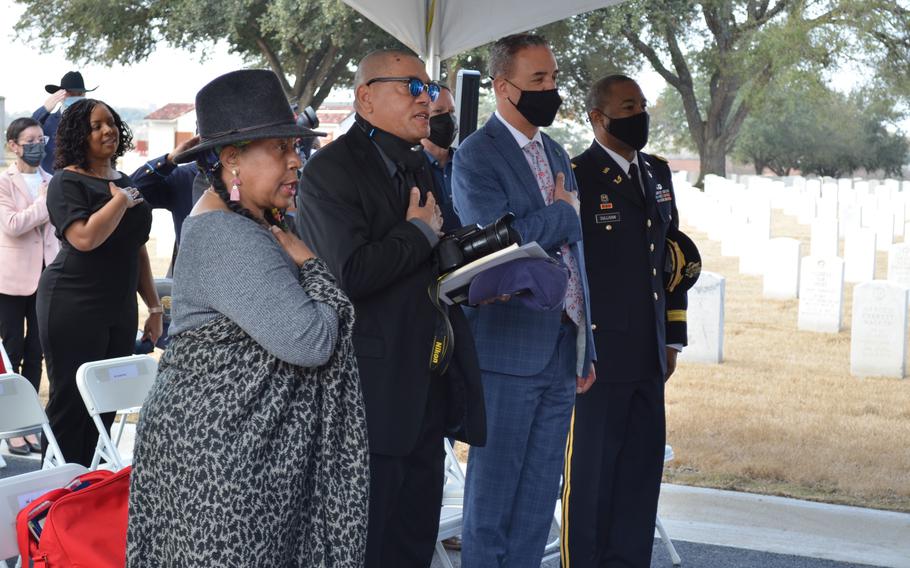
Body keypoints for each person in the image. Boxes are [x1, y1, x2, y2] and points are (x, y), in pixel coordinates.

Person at [126, 69, 369, 566]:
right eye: (280, 149)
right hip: (222, 461)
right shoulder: (226, 235)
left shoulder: (253, 222)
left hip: (242, 453)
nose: (295, 161)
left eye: (294, 147)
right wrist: (313, 268)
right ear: (232, 159)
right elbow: (311, 340)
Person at [295, 49, 485, 568]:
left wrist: (489, 264)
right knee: (368, 546)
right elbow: (348, 274)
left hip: (428, 381)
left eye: (429, 87)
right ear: (366, 96)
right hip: (369, 396)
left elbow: (435, 255)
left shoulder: (419, 161)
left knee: (412, 541)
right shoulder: (330, 171)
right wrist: (418, 233)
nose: (427, 100)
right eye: (412, 87)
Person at [452, 33, 596, 567]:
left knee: (540, 498)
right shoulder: (476, 157)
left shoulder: (555, 150)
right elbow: (499, 242)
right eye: (538, 81)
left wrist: (587, 342)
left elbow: (576, 257)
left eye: (554, 79)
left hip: (563, 347)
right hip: (507, 351)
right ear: (502, 87)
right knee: (491, 504)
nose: (550, 90)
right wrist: (563, 214)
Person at [560, 74, 688, 568]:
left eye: (642, 106)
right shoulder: (576, 176)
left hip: (649, 354)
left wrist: (672, 338)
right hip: (598, 356)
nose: (639, 116)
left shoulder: (656, 173)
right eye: (627, 107)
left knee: (638, 481)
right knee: (590, 481)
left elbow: (672, 263)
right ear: (597, 117)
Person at [35, 98, 160, 467]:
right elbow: (84, 239)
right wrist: (120, 202)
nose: (107, 131)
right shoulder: (66, 182)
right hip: (72, 302)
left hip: (118, 305)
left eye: (111, 123)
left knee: (107, 400)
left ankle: (91, 488)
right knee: (71, 402)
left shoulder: (124, 182)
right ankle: (54, 497)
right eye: (95, 126)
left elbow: (136, 248)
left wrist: (152, 307)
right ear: (78, 135)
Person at [0, 117, 59, 455]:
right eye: (30, 140)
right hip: (10, 281)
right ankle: (10, 425)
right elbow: (12, 225)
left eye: (42, 138)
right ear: (13, 145)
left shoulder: (51, 180)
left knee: (37, 353)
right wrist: (44, 204)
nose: (39, 145)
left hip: (46, 279)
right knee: (12, 351)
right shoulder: (5, 183)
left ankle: (30, 423)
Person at [32, 71, 96, 173]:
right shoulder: (47, 120)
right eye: (70, 93)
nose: (75, 97)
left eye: (79, 94)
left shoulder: (92, 121)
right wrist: (45, 109)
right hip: (51, 180)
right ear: (60, 94)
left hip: (83, 180)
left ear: (84, 95)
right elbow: (26, 130)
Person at [420, 84, 461, 232]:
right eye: (438, 111)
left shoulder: (467, 161)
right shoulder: (410, 168)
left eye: (451, 111)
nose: (448, 118)